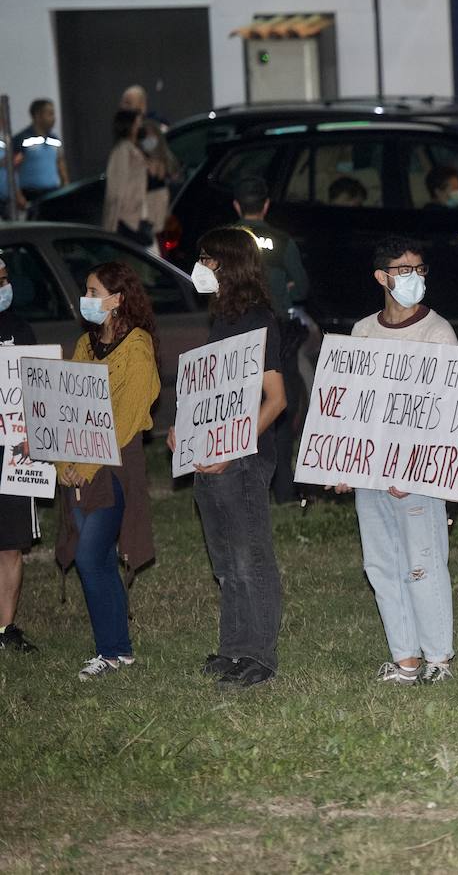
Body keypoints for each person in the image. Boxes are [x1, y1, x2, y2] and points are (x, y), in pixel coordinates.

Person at [333, 236, 458, 685]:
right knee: (382, 564)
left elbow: (447, 412)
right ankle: (405, 657)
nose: (414, 278)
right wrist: (344, 464)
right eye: (404, 270)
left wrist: (417, 467)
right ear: (381, 277)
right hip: (372, 469)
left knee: (422, 562)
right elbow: (351, 403)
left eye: (420, 269)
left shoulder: (437, 333)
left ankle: (438, 658)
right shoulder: (363, 330)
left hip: (418, 473)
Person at [174, 227, 287, 688]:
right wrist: (184, 431)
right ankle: (234, 649)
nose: (200, 267)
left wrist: (231, 447)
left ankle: (259, 656)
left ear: (229, 264)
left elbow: (275, 399)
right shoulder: (222, 318)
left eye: (207, 258)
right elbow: (213, 392)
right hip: (214, 458)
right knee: (225, 562)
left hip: (244, 460)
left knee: (250, 559)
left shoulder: (259, 320)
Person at [55, 261, 160, 680]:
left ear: (117, 300)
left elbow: (127, 416)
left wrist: (85, 464)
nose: (88, 299)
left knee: (90, 556)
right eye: (87, 290)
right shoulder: (85, 345)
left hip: (112, 467)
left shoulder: (137, 347)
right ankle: (118, 651)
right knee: (95, 558)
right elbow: (69, 407)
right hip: (79, 467)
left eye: (94, 292)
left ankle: (111, 650)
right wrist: (66, 464)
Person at [231, 177, 310, 504]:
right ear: (266, 205)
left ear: (236, 206)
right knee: (280, 404)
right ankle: (284, 489)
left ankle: (242, 485)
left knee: (237, 407)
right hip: (276, 333)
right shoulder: (281, 240)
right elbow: (303, 288)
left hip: (234, 332)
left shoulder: (226, 241)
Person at [0, 256, 40, 654]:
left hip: (14, 454)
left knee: (10, 544)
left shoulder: (21, 330)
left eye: (5, 279)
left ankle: (5, 627)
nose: (3, 287)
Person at [120, 85, 178, 238]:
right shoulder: (132, 130)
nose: (122, 107)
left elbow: (155, 157)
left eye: (127, 102)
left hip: (153, 195)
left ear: (141, 105)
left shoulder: (150, 127)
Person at [102, 109, 150, 245]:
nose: (140, 127)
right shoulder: (122, 151)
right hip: (127, 218)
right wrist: (111, 225)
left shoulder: (133, 149)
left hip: (136, 216)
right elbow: (116, 189)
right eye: (137, 123)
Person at [13, 98, 68, 203]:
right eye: (50, 114)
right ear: (38, 116)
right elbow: (13, 168)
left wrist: (65, 184)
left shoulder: (54, 139)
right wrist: (18, 195)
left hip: (53, 192)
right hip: (31, 194)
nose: (53, 118)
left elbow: (60, 162)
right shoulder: (22, 139)